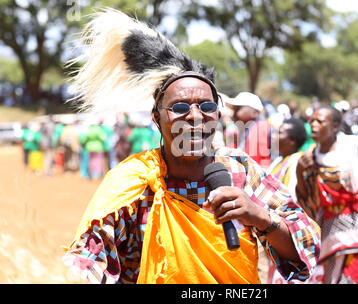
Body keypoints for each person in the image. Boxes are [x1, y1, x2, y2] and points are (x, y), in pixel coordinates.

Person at [63, 9, 321, 284]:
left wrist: (258, 216)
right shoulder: (135, 180)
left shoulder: (240, 169)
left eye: (207, 106)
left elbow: (307, 245)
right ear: (157, 118)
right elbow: (88, 260)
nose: (195, 116)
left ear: (218, 116)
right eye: (180, 107)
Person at [296, 104, 358, 284]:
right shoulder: (311, 155)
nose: (314, 125)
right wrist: (299, 170)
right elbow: (307, 200)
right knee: (332, 276)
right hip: (328, 226)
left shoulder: (353, 144)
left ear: (334, 126)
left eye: (320, 121)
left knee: (356, 274)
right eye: (312, 121)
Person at [265, 117, 309, 283]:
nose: (274, 136)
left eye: (280, 133)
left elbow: (291, 197)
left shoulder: (297, 161)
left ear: (292, 140)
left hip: (287, 229)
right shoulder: (277, 161)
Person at [225, 92, 274, 169]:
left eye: (238, 109)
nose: (234, 114)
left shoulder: (266, 129)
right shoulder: (242, 131)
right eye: (234, 109)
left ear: (255, 112)